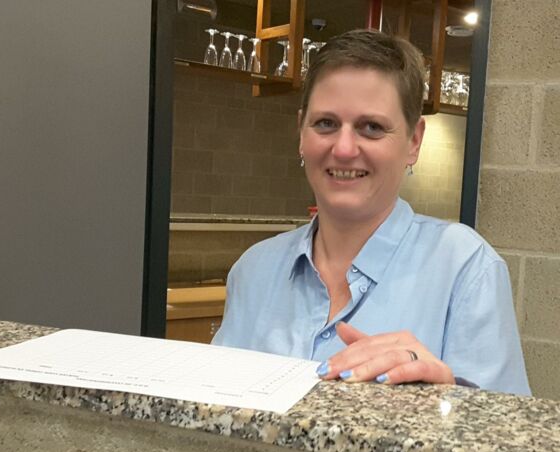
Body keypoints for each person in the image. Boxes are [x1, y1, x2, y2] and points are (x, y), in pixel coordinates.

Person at [212, 29, 530, 396]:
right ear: (301, 133)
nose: (344, 149)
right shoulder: (254, 270)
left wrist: (445, 399)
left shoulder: (465, 268)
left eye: (372, 127)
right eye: (326, 123)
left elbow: (506, 429)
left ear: (414, 141)